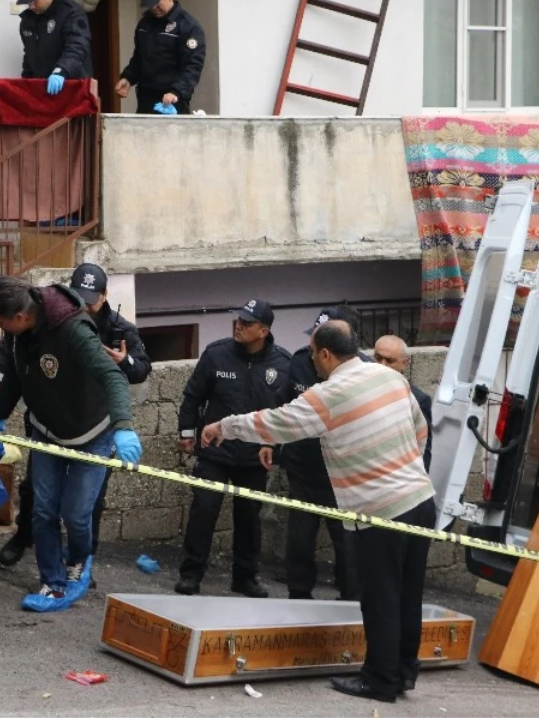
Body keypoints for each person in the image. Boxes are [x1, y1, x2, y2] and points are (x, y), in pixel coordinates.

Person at [202, 320, 436, 704]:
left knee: (380, 597)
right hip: (420, 500)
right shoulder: (388, 377)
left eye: (313, 353)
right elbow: (419, 428)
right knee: (408, 593)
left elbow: (274, 423)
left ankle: (380, 681)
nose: (312, 360)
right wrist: (405, 468)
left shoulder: (329, 394)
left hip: (381, 511)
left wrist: (223, 427)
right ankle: (404, 672)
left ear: (326, 354)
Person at [0, 276, 143, 612]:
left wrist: (124, 426)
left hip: (92, 433)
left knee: (76, 514)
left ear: (21, 317)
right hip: (47, 429)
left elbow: (113, 375)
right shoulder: (17, 337)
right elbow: (15, 375)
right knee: (42, 510)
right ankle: (52, 583)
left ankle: (78, 563)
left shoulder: (73, 330)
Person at [175, 299, 291, 598]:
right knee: (204, 510)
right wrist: (187, 434)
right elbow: (192, 397)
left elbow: (286, 414)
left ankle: (245, 577)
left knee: (249, 518)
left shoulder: (283, 364)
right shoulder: (217, 354)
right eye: (238, 319)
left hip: (254, 457)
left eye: (247, 323)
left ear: (263, 331)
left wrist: (272, 447)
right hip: (214, 452)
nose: (239, 325)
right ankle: (191, 574)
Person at [278, 307, 363, 601]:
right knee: (300, 538)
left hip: (343, 474)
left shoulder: (362, 372)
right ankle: (299, 595)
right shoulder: (301, 362)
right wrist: (270, 446)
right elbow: (283, 407)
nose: (314, 349)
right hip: (304, 467)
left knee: (348, 542)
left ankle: (350, 599)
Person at [115, 0, 206, 114]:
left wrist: (176, 91)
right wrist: (128, 78)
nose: (154, 7)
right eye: (149, 3)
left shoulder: (188, 26)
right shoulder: (144, 24)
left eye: (157, 1)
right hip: (146, 96)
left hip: (172, 99)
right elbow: (139, 57)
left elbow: (192, 66)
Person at [16, 0, 93, 95]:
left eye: (35, 0)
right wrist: (26, 84)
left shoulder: (71, 13)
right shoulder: (27, 22)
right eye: (28, 2)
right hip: (41, 91)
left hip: (72, 88)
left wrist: (60, 71)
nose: (31, 6)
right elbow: (29, 57)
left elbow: (77, 47)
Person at [373, 335, 434, 471]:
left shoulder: (418, 399)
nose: (382, 365)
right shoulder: (360, 391)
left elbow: (423, 448)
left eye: (389, 360)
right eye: (378, 358)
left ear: (404, 363)